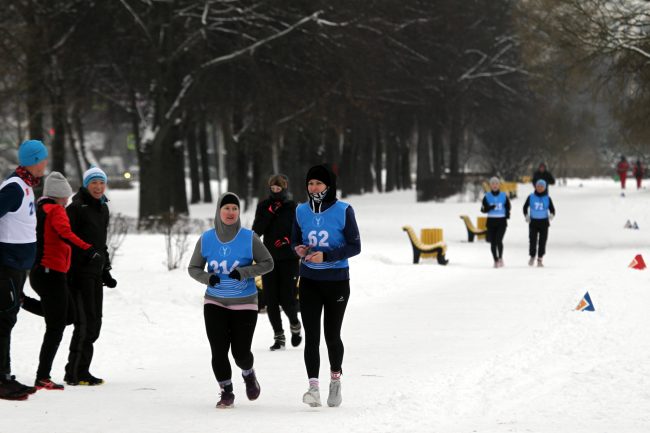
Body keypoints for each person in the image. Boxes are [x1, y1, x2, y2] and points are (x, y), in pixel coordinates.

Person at [188, 192, 274, 409]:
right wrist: (208, 277)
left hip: (245, 302)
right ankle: (226, 391)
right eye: (226, 208)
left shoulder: (249, 237)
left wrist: (245, 272)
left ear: (238, 212)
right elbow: (193, 268)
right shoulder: (206, 238)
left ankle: (248, 373)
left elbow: (268, 263)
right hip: (215, 301)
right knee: (218, 350)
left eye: (234, 208)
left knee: (241, 353)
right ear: (219, 211)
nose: (230, 212)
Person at [292, 164, 361, 408]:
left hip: (337, 282)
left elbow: (355, 246)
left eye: (318, 183)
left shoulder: (343, 210)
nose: (313, 188)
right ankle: (313, 388)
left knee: (332, 336)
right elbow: (296, 240)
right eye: (310, 183)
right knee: (312, 337)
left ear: (329, 186)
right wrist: (299, 249)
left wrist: (327, 256)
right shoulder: (301, 210)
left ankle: (335, 381)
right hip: (309, 280)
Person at [30, 172, 100, 390]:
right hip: (51, 273)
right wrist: (87, 248)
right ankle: (43, 376)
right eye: (66, 195)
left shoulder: (40, 209)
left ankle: (22, 301)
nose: (68, 199)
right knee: (56, 326)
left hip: (43, 272)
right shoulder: (56, 210)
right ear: (59, 195)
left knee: (68, 316)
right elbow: (66, 233)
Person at [0, 139, 48, 400]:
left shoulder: (27, 185)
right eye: (42, 159)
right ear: (33, 161)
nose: (45, 163)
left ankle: (5, 375)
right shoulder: (15, 187)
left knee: (8, 319)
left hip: (18, 266)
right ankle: (1, 379)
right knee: (3, 321)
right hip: (6, 265)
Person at [64, 166, 116, 386]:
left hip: (94, 273)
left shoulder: (103, 209)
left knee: (95, 323)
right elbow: (68, 240)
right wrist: (85, 258)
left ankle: (82, 370)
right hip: (78, 273)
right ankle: (75, 373)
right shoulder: (76, 208)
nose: (98, 187)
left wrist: (106, 270)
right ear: (86, 184)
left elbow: (100, 245)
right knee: (84, 323)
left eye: (101, 183)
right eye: (94, 182)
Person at [252, 174, 302, 351]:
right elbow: (256, 231)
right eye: (272, 189)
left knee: (287, 300)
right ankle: (279, 337)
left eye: (278, 189)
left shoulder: (293, 208)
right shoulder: (264, 206)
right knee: (271, 300)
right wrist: (269, 214)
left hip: (289, 259)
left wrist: (288, 240)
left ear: (285, 188)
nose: (275, 192)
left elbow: (300, 231)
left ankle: (295, 325)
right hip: (268, 259)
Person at [523, 179, 556, 267]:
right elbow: (525, 207)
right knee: (532, 240)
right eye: (538, 186)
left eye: (542, 186)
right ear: (535, 187)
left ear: (544, 188)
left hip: (544, 222)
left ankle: (540, 258)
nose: (540, 188)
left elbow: (552, 209)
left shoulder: (547, 198)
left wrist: (552, 215)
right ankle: (532, 256)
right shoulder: (531, 197)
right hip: (533, 222)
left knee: (542, 241)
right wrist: (526, 215)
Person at [481, 176, 511, 268]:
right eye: (493, 184)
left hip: (501, 221)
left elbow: (508, 206)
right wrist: (489, 208)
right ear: (490, 185)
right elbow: (482, 209)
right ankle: (495, 260)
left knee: (499, 240)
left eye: (496, 183)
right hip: (491, 221)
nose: (494, 185)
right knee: (493, 242)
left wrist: (507, 214)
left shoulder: (503, 195)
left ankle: (501, 258)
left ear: (499, 185)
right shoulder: (487, 196)